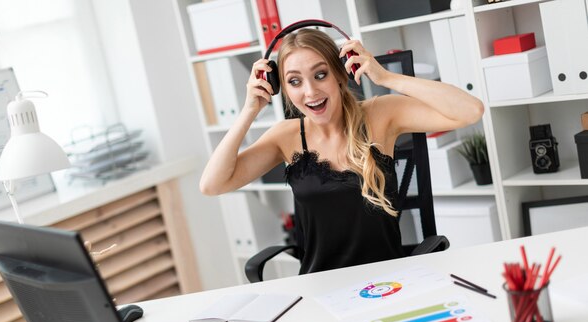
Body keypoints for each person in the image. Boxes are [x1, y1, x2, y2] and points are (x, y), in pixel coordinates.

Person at [200, 28, 484, 275]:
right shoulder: (285, 136)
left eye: (320, 74)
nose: (310, 92)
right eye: (295, 81)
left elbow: (471, 111)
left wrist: (386, 78)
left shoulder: (380, 114)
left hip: (389, 281)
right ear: (282, 88)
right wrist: (249, 110)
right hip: (321, 286)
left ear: (340, 73)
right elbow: (212, 185)